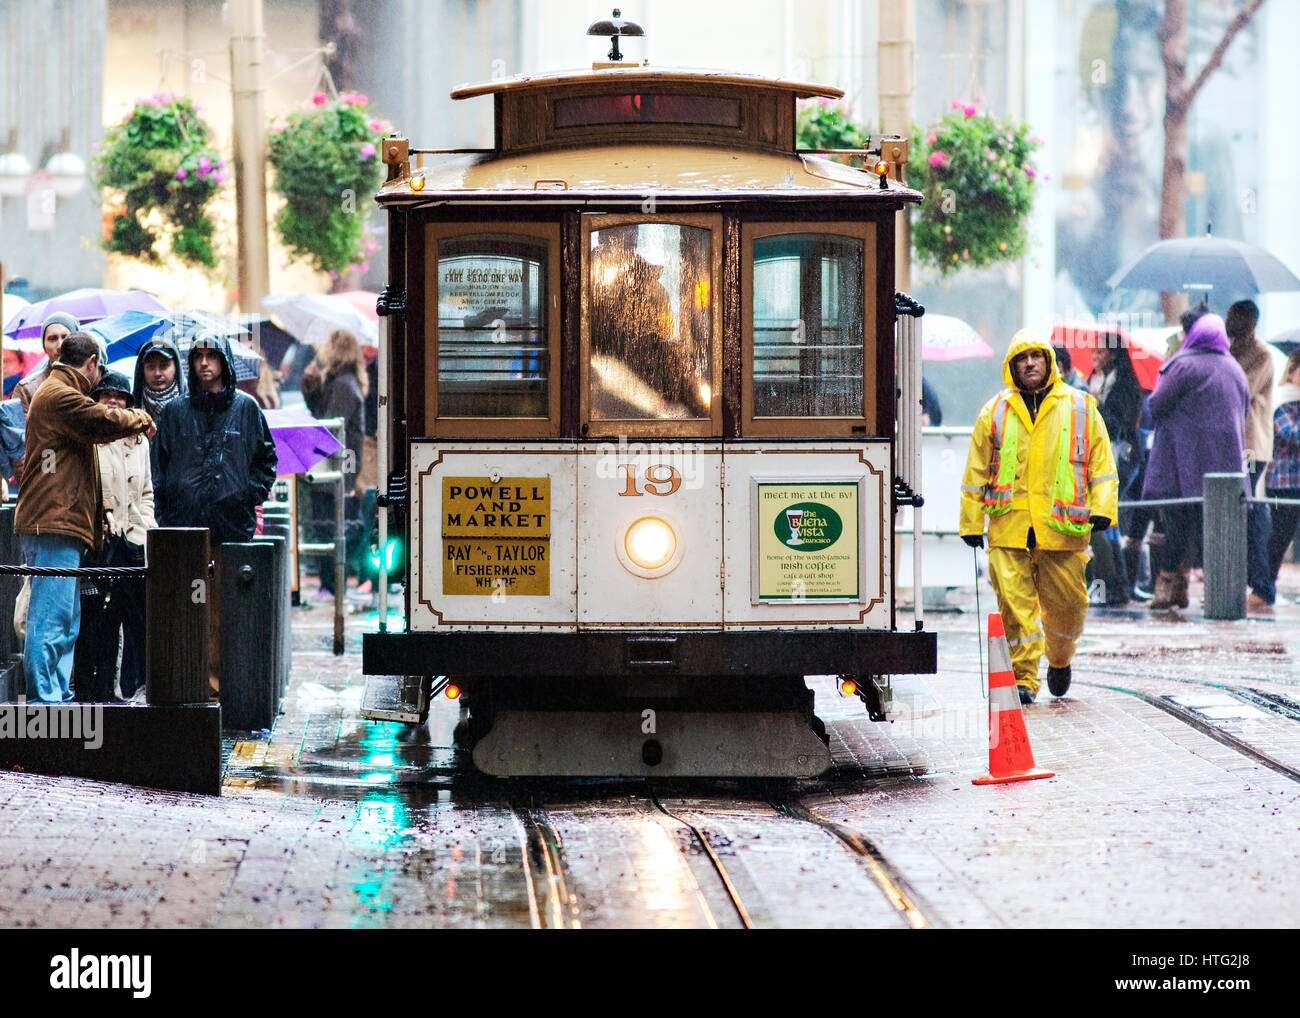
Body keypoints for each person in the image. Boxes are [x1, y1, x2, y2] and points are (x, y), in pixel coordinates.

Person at [959, 331, 1119, 703]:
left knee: (1069, 607)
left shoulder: (1081, 407)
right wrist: (970, 524)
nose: (1029, 363)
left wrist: (1102, 510)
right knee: (1014, 608)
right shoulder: (994, 411)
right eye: (1021, 358)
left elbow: (1102, 465)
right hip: (1008, 528)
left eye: (1036, 356)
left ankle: (1059, 661)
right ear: (1012, 366)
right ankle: (1023, 679)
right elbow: (976, 472)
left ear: (1048, 362)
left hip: (1063, 530)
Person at [13, 333, 154, 703]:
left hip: (61, 522)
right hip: (52, 523)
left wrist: (97, 517)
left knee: (65, 618)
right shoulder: (60, 394)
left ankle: (55, 694)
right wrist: (139, 417)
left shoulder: (58, 392)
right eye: (100, 369)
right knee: (51, 617)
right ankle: (45, 701)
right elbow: (102, 419)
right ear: (91, 362)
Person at [155, 333, 277, 693]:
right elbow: (159, 468)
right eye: (198, 356)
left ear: (224, 361)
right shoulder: (175, 412)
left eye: (212, 356)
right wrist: (167, 513)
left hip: (231, 529)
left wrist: (246, 495)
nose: (204, 363)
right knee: (189, 609)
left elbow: (265, 459)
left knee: (228, 611)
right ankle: (192, 681)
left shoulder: (246, 408)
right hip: (185, 530)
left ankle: (224, 683)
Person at [1141, 313, 1248, 610]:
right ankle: (1215, 593)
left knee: (1176, 521)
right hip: (1225, 468)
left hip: (1182, 462)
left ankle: (1167, 589)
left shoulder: (1182, 364)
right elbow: (1246, 410)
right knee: (1212, 529)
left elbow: (1156, 404)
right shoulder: (1235, 368)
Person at [71, 370, 156, 701]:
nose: (114, 402)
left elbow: (147, 492)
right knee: (98, 620)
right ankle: (96, 689)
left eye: (120, 398)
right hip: (99, 542)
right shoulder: (88, 440)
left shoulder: (141, 443)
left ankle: (134, 688)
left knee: (136, 620)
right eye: (107, 397)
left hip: (133, 542)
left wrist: (146, 526)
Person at [300, 329, 367, 601]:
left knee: (329, 525)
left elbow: (330, 424)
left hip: (334, 467)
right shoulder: (342, 382)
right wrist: (311, 385)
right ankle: (330, 583)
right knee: (328, 524)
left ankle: (330, 584)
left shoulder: (343, 385)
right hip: (337, 465)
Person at [1087, 331, 1146, 605]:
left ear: (1113, 353)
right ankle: (1111, 585)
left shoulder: (1124, 386)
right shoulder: (1094, 379)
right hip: (1099, 457)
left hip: (1120, 458)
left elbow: (1118, 424)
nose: (1095, 355)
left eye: (1100, 351)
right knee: (1105, 521)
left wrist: (1097, 403)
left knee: (1106, 519)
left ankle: (1117, 585)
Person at [1225, 300, 1276, 610]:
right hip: (1232, 442)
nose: (1231, 321)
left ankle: (1262, 585)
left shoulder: (1262, 355)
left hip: (1251, 445)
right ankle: (1243, 581)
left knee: (1251, 514)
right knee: (1236, 514)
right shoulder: (1231, 350)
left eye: (1237, 317)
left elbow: (1242, 387)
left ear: (1251, 321)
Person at [1259, 351, 1300, 608]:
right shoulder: (1282, 399)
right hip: (1283, 481)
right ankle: (1265, 585)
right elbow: (1288, 433)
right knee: (1279, 536)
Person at [132, 333, 186, 487]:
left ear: (176, 366)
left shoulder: (193, 405)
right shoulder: (131, 407)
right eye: (150, 367)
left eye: (164, 366)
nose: (157, 373)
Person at [15, 312, 78, 413]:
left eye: (66, 337)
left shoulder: (92, 381)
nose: (60, 345)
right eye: (52, 339)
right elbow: (20, 427)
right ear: (44, 346)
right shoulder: (27, 388)